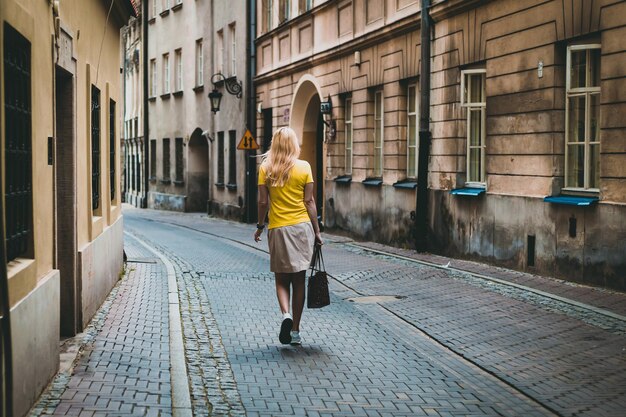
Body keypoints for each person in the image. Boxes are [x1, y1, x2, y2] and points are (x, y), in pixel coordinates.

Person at [254, 127, 323, 346]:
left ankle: (285, 314)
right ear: (294, 144)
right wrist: (317, 231)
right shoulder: (304, 167)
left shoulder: (266, 168)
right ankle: (295, 331)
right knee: (299, 279)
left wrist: (259, 225)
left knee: (281, 278)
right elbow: (310, 202)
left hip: (279, 228)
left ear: (274, 144)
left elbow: (263, 202)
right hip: (302, 228)